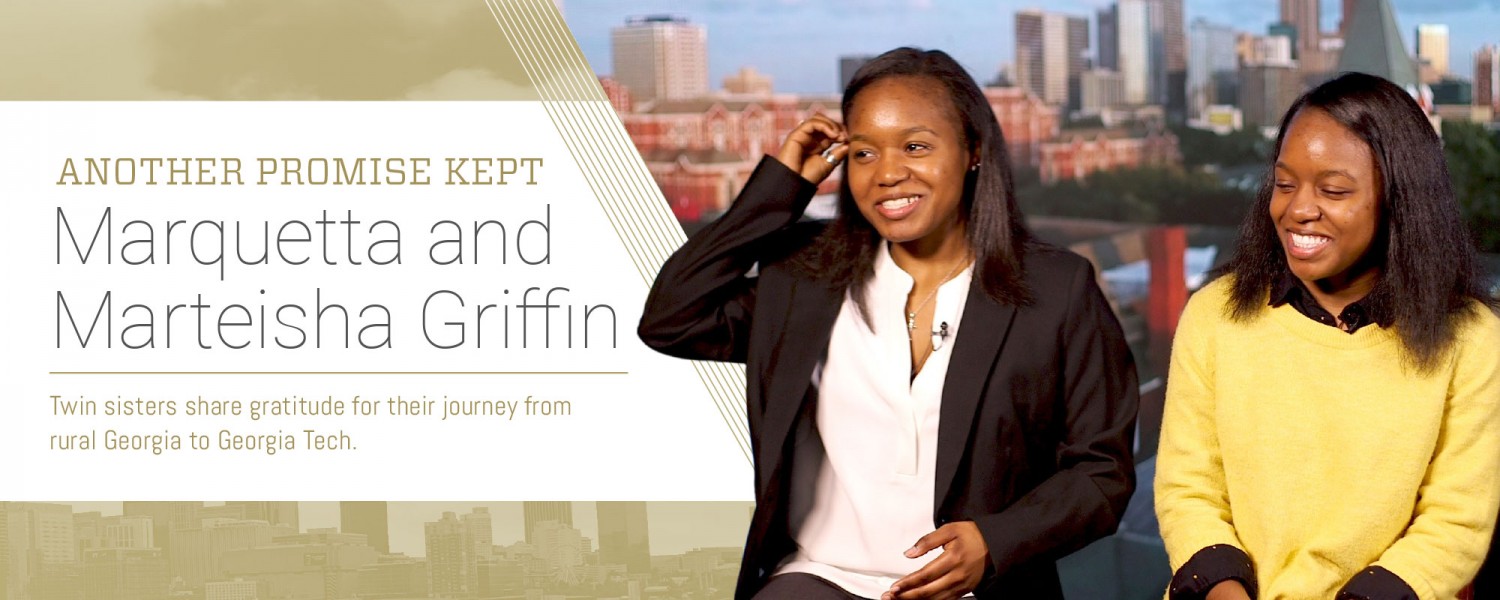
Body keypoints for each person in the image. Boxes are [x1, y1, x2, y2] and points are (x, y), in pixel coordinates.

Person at [638, 47, 1138, 600]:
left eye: (916, 146)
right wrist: (781, 189)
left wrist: (995, 542)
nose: (888, 174)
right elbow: (671, 318)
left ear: (973, 149)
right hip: (818, 579)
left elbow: (1102, 473)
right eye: (863, 153)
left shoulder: (1056, 289)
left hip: (973, 591)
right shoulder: (806, 278)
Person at [1154, 71, 1500, 600]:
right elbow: (1188, 488)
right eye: (1284, 183)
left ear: (1398, 199)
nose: (1297, 210)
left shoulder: (1472, 340)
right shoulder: (1214, 316)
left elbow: (1456, 522)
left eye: (1333, 190)